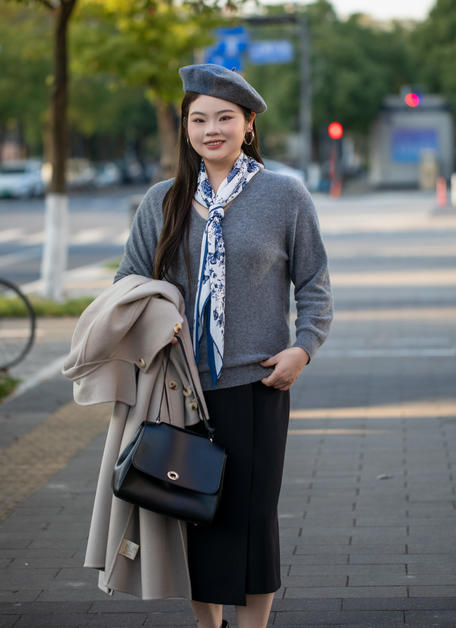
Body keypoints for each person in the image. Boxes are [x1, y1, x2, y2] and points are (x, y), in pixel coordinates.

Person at [114, 63, 333, 628]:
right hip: (180, 390)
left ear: (248, 125)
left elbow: (314, 285)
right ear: (186, 127)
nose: (211, 129)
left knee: (253, 517)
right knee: (196, 514)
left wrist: (301, 350)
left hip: (257, 384)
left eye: (225, 118)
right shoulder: (162, 201)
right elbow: (127, 285)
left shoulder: (284, 195)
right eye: (199, 118)